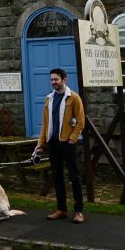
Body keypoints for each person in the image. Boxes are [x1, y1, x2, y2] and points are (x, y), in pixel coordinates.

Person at [32, 68, 86, 223]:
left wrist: (72, 139)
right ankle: (61, 209)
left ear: (64, 80)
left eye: (56, 79)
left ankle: (78, 211)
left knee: (74, 177)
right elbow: (45, 124)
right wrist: (40, 143)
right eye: (51, 80)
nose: (53, 82)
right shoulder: (49, 99)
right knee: (57, 177)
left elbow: (81, 121)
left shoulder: (73, 97)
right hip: (53, 143)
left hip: (67, 143)